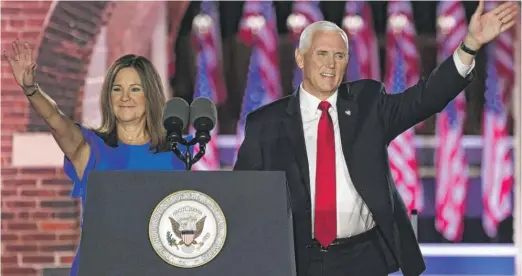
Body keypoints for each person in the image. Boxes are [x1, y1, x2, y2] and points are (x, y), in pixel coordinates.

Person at [234, 1, 519, 276]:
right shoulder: (266, 124)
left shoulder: (368, 104)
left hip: (363, 258)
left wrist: (469, 46)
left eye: (339, 55)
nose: (331, 64)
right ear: (300, 57)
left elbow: (425, 98)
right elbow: (245, 198)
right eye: (321, 54)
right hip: (297, 259)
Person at [3, 42, 190, 276]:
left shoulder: (176, 153)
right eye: (116, 89)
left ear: (150, 95)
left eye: (134, 89)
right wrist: (32, 89)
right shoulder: (91, 147)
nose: (124, 98)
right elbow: (56, 120)